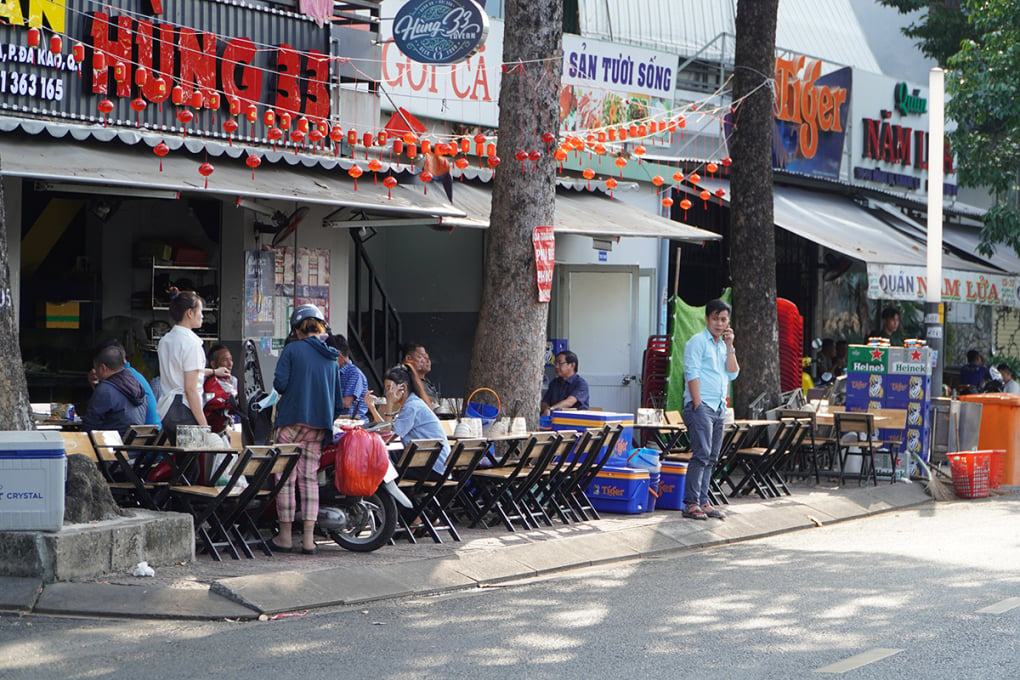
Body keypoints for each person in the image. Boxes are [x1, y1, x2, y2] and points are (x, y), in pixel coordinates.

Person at [270, 304, 343, 555]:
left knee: (285, 478)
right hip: (320, 425)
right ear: (321, 327)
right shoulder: (332, 358)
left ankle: (286, 537)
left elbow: (280, 384)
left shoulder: (292, 350)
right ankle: (310, 540)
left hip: (292, 421)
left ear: (297, 330)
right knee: (309, 479)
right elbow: (337, 400)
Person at [681, 299, 739, 521]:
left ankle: (703, 500)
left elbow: (733, 373)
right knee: (701, 454)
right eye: (715, 318)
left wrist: (731, 346)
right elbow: (691, 373)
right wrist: (696, 404)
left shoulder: (724, 346)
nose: (719, 323)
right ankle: (691, 503)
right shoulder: (697, 342)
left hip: (718, 406)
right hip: (702, 405)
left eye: (723, 319)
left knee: (713, 456)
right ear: (707, 319)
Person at [156, 290, 229, 442]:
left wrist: (214, 371)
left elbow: (183, 371)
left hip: (166, 410)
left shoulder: (165, 340)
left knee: (183, 463)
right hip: (184, 411)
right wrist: (204, 425)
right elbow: (190, 388)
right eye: (200, 311)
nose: (202, 315)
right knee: (192, 464)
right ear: (190, 313)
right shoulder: (191, 344)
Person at [367, 364, 449, 475]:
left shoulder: (412, 406)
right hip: (433, 466)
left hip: (432, 468)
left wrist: (389, 403)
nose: (387, 393)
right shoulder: (412, 403)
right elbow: (387, 429)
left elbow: (388, 435)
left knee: (381, 465)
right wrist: (372, 407)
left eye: (389, 388)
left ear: (403, 388)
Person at [82, 343, 147, 434]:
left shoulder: (105, 389)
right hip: (132, 443)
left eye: (96, 368)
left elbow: (90, 425)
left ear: (103, 368)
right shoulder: (137, 384)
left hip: (110, 445)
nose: (95, 372)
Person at [327, 334, 369, 421]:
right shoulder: (333, 372)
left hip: (353, 424)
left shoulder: (354, 373)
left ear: (337, 354)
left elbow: (346, 403)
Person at [203, 343, 239, 435]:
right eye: (225, 360)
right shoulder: (206, 382)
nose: (230, 363)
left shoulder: (233, 381)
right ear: (213, 364)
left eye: (231, 359)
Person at [541, 350, 590, 415]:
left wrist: (551, 409)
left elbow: (569, 402)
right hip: (554, 420)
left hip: (575, 421)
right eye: (556, 363)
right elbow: (545, 402)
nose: (556, 366)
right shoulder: (554, 383)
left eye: (560, 363)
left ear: (572, 365)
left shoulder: (580, 383)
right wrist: (546, 409)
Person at [402, 342, 440, 409]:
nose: (427, 361)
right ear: (408, 358)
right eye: (422, 357)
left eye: (428, 358)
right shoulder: (401, 379)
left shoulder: (428, 383)